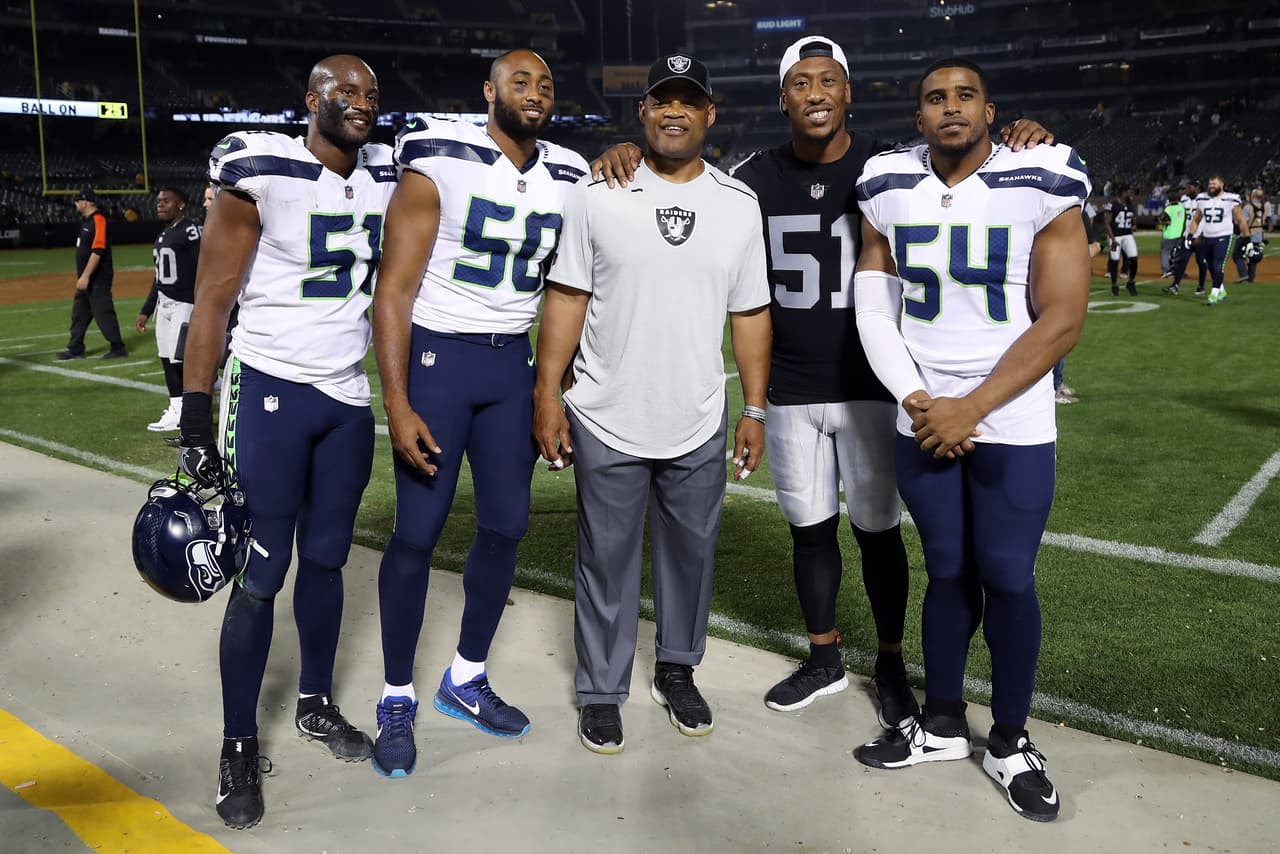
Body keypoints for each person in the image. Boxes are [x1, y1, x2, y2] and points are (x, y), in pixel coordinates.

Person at [593, 37, 1055, 724]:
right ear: (783, 97)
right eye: (801, 83)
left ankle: (893, 662)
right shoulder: (748, 179)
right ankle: (823, 656)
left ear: (848, 93)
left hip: (877, 385)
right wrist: (622, 154)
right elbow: (685, 193)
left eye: (829, 81)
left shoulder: (894, 168)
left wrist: (1022, 136)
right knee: (808, 530)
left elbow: (969, 154)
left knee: (877, 532)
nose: (815, 94)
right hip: (790, 386)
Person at [850, 58, 1090, 822]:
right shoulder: (885, 181)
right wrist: (921, 400)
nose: (950, 108)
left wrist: (972, 407)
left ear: (991, 109)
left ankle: (1013, 740)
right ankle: (946, 722)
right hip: (918, 411)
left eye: (965, 96)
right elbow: (874, 307)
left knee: (1009, 576)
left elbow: (1062, 318)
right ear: (917, 116)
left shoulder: (1043, 174)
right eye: (934, 98)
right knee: (947, 570)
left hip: (1011, 416)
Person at [176, 54, 396, 829]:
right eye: (345, 91)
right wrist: (195, 414)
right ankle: (238, 743)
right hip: (270, 389)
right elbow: (212, 300)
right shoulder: (259, 168)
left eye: (371, 92)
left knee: (329, 559)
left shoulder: (389, 172)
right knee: (262, 573)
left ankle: (314, 703)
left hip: (345, 398)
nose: (361, 103)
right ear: (311, 99)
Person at [533, 54, 771, 756]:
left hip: (697, 413)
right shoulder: (596, 191)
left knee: (691, 557)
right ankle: (602, 691)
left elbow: (751, 312)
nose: (674, 112)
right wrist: (547, 394)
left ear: (709, 114)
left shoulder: (738, 204)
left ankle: (677, 668)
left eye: (688, 101)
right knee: (604, 560)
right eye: (661, 100)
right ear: (642, 112)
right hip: (607, 410)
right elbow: (567, 298)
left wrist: (754, 408)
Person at [368, 48, 589, 778]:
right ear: (488, 91)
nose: (534, 92)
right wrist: (396, 402)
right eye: (519, 81)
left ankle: (464, 677)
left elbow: (571, 285)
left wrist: (545, 389)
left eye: (546, 84)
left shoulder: (569, 171)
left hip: (510, 366)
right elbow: (394, 290)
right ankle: (396, 694)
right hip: (439, 360)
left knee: (506, 525)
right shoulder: (440, 155)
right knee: (418, 531)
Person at [136, 187, 200, 432]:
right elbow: (158, 278)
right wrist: (146, 309)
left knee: (179, 358)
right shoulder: (164, 235)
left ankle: (187, 408)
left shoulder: (190, 230)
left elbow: (202, 265)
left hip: (184, 302)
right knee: (165, 356)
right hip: (165, 303)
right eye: (158, 201)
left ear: (181, 204)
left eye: (166, 201)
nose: (160, 205)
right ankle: (175, 407)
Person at [57, 188, 127, 360]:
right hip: (86, 280)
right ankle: (75, 348)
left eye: (77, 201)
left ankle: (118, 348)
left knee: (103, 312)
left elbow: (98, 250)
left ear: (84, 202)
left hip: (97, 278)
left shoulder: (99, 220)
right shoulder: (87, 222)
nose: (75, 204)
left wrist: (86, 275)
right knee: (79, 314)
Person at [1187, 175, 1249, 305]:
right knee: (1210, 266)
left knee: (1218, 265)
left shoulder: (1231, 199)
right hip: (1207, 237)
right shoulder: (1202, 198)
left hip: (1223, 236)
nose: (1211, 186)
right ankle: (1221, 289)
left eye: (1214, 184)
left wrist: (1247, 237)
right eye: (1210, 184)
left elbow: (1241, 219)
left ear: (1222, 184)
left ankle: (1214, 293)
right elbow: (1196, 220)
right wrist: (1190, 235)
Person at [1104, 185, 1138, 296]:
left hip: (1128, 235)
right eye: (1129, 192)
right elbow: (1107, 223)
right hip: (1116, 236)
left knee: (1134, 259)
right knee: (1115, 260)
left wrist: (1133, 225)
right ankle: (1114, 285)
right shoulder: (1113, 205)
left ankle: (1131, 282)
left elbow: (1133, 220)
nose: (1131, 195)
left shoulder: (1130, 205)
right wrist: (1112, 239)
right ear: (1123, 193)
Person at [1158, 186, 1186, 278]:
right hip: (1179, 233)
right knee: (1175, 252)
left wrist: (1160, 221)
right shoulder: (1182, 207)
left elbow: (1165, 220)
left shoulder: (1168, 209)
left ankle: (1166, 271)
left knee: (1165, 253)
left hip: (1169, 234)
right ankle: (1175, 269)